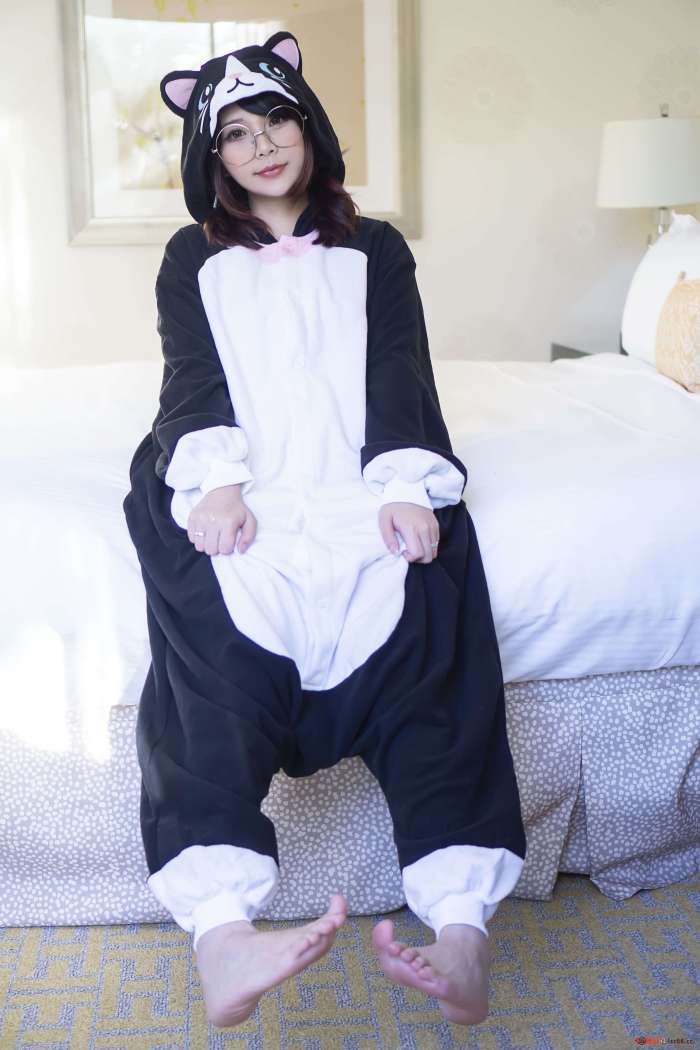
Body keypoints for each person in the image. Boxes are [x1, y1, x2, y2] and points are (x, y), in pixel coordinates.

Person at [122, 30, 527, 1029]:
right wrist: (217, 481)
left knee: (431, 625)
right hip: (251, 474)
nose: (261, 146)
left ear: (309, 128)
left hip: (355, 473)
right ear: (212, 157)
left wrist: (402, 482)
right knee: (207, 656)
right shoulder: (192, 256)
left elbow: (399, 366)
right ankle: (223, 934)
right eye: (236, 134)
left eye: (277, 121)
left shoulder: (374, 246)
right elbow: (190, 372)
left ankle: (462, 930)